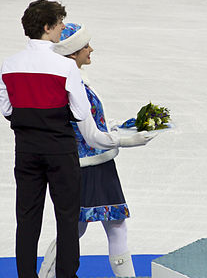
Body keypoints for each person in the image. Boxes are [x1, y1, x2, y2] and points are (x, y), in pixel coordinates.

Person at [38, 23, 157, 278]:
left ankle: (46, 274)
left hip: (87, 164)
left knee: (81, 227)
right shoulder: (75, 84)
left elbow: (91, 123)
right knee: (109, 226)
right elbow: (90, 136)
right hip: (90, 165)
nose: (91, 49)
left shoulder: (75, 77)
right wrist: (128, 141)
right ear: (72, 53)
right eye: (85, 46)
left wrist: (122, 126)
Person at [0, 0, 90, 278]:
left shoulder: (9, 64)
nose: (64, 26)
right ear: (48, 27)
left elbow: (6, 109)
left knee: (27, 217)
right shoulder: (65, 67)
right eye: (60, 22)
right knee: (66, 216)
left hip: (26, 151)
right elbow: (80, 111)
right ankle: (66, 274)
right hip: (60, 150)